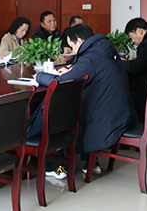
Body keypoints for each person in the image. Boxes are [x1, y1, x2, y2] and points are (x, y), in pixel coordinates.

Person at [30, 24, 136, 179]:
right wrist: (71, 71)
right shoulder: (104, 49)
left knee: (58, 113)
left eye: (73, 46)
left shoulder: (90, 58)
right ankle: (91, 161)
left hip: (104, 119)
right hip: (119, 111)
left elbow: (61, 82)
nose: (73, 50)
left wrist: (39, 76)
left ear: (79, 41)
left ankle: (57, 166)